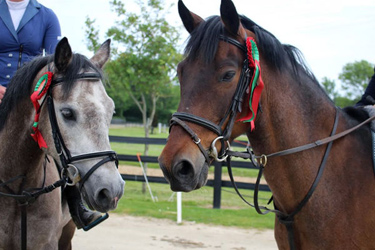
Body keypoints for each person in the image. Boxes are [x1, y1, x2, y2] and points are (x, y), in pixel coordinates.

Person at [0, 0, 101, 229]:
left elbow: (55, 62)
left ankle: (77, 205)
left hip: (32, 98)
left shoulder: (46, 16)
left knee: (60, 140)